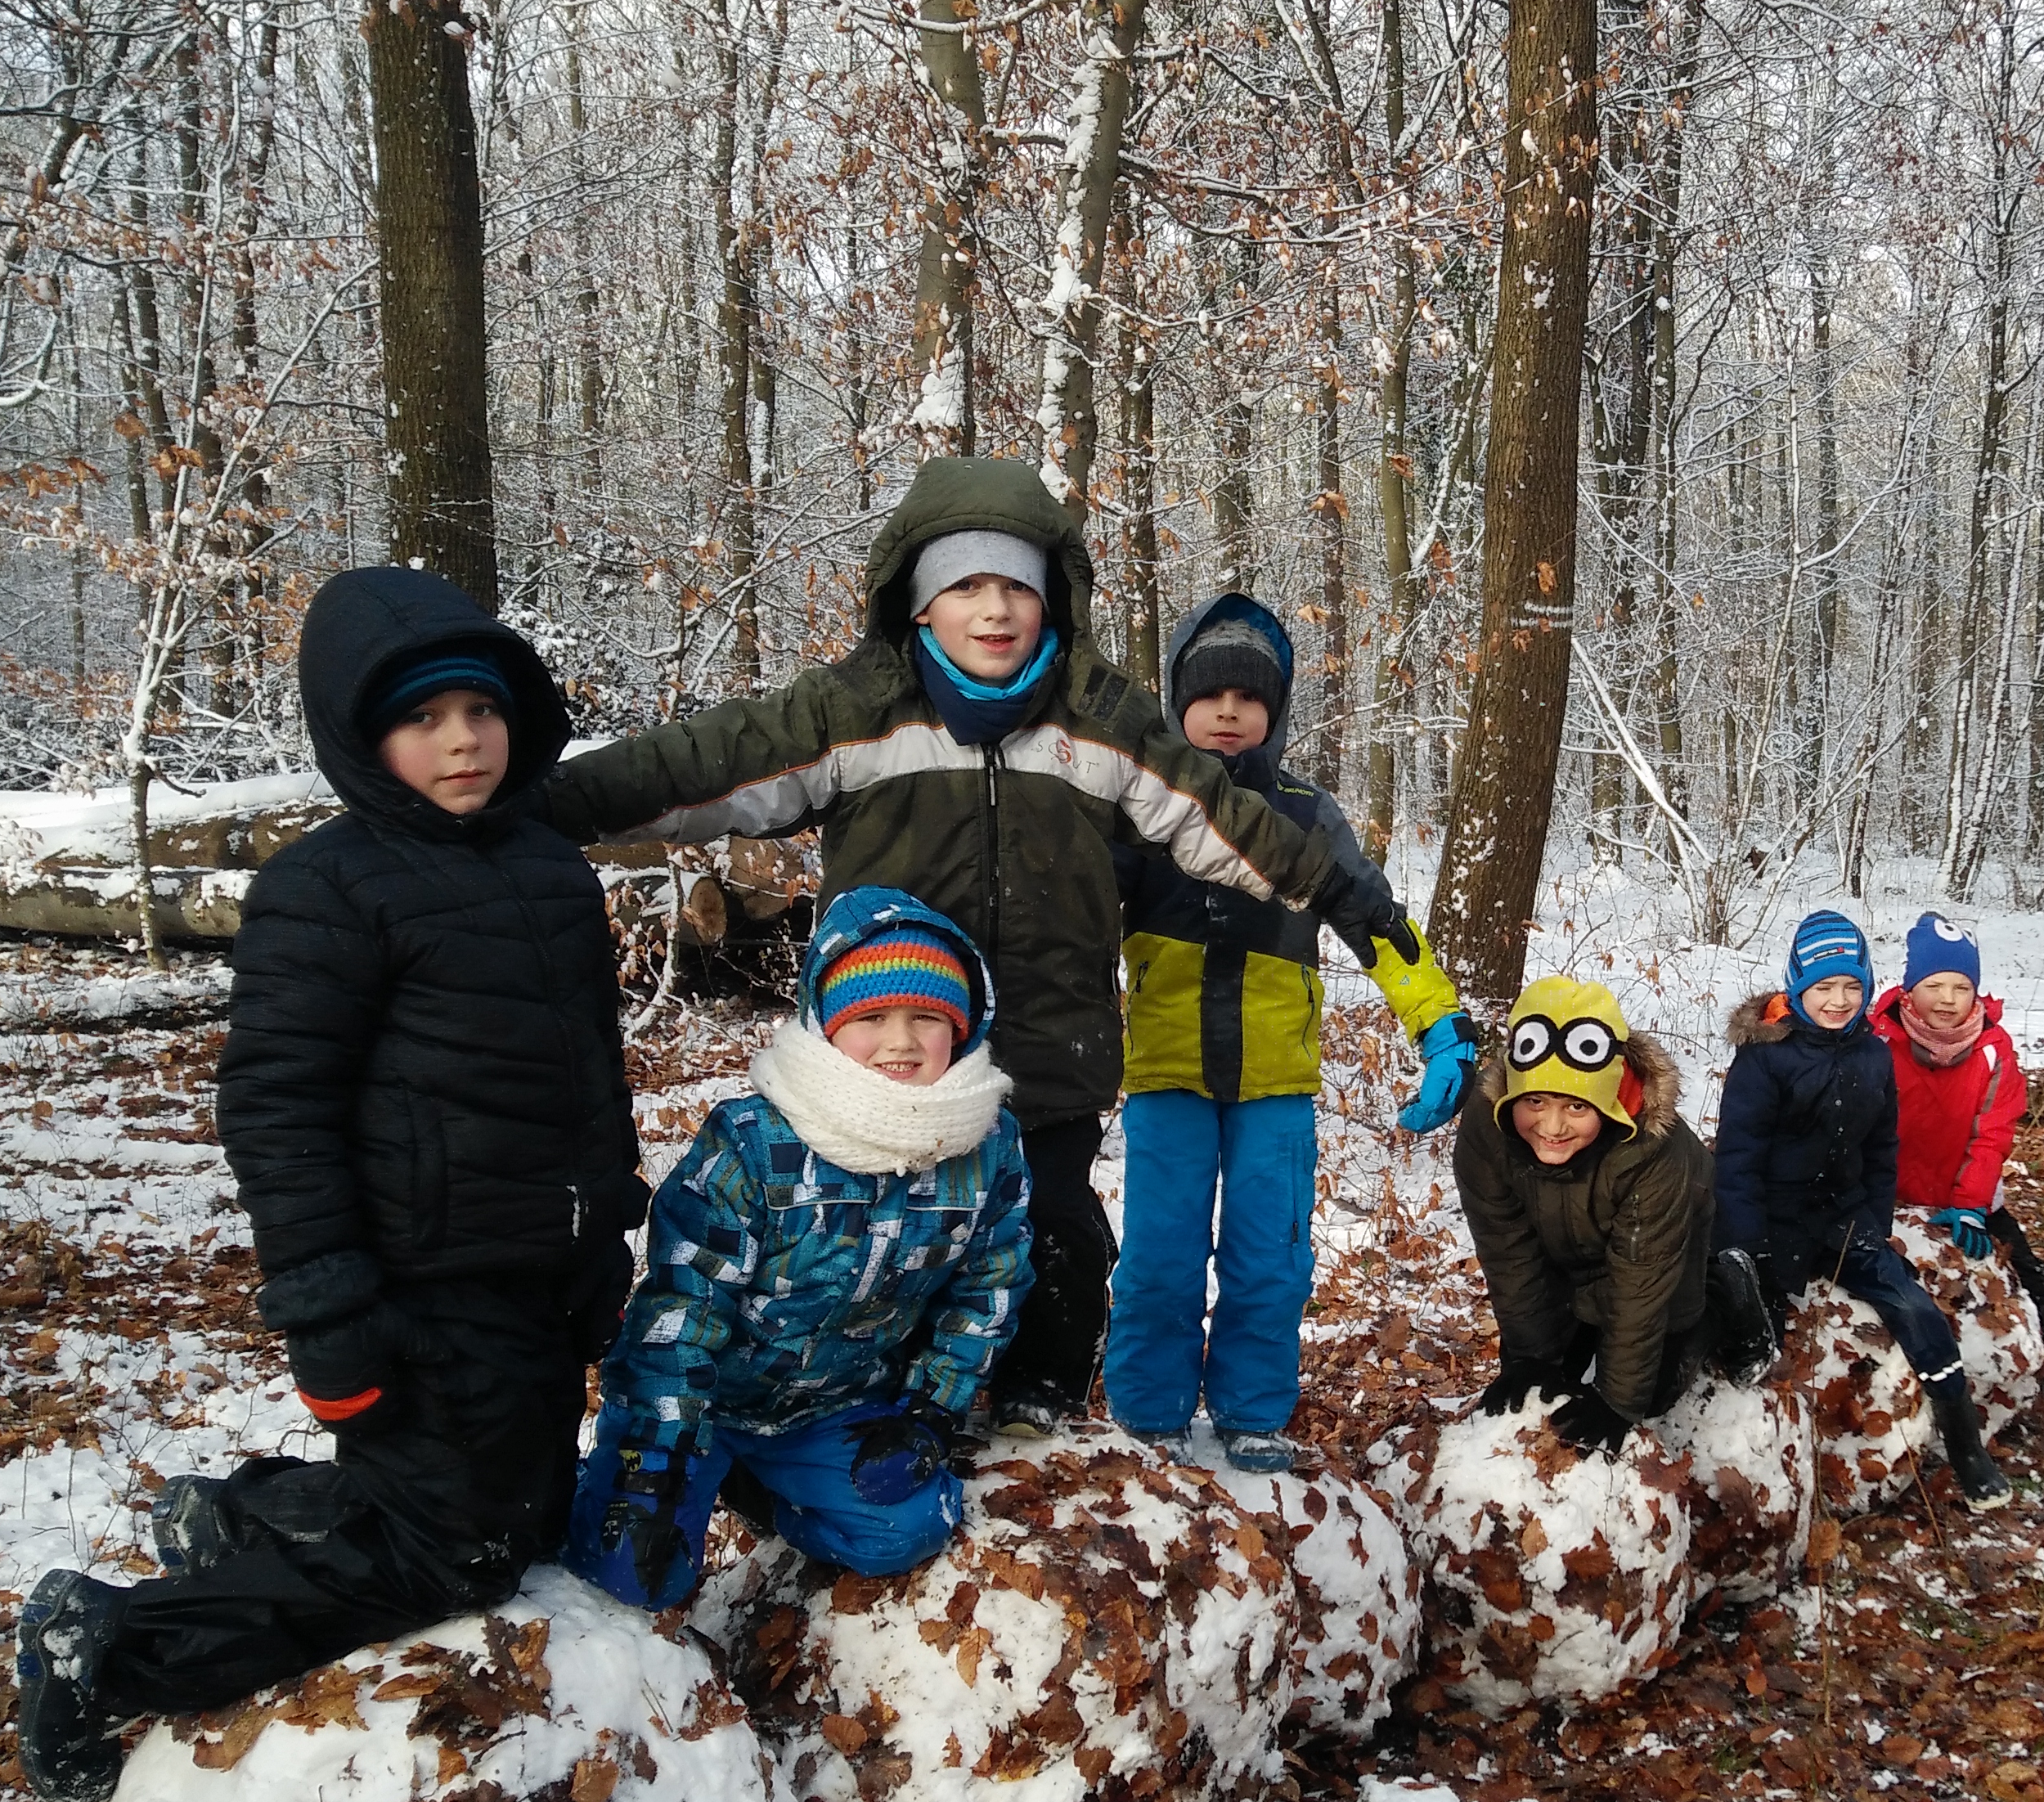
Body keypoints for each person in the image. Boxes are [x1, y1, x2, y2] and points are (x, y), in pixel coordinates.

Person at [538, 458, 1413, 1429]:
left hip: (1050, 1044)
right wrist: (539, 806)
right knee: (881, 1238)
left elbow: (1216, 818)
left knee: (1052, 1232)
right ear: (916, 605)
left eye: (1016, 587)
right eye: (964, 585)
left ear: (1052, 600)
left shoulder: (1100, 719)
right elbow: (702, 765)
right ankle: (867, 1408)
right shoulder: (855, 712)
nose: (993, 610)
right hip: (889, 1041)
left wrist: (1345, 895)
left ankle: (1038, 1408)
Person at [13, 570, 648, 1802]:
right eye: (422, 720)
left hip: (535, 1261)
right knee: (452, 1556)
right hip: (414, 1276)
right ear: (364, 742)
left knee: (524, 1515)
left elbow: (585, 1075)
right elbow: (276, 1108)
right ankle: (105, 1648)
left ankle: (246, 1518)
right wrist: (327, 1309)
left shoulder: (549, 869)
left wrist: (603, 1229)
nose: (461, 741)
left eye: (479, 709)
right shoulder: (330, 888)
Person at [565, 889, 1031, 1607]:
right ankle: (664, 1478)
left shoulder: (986, 1146)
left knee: (907, 1530)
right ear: (828, 1025)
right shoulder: (756, 1141)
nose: (900, 1042)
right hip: (700, 1405)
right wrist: (658, 1459)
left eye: (926, 1018)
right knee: (631, 1578)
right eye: (871, 1018)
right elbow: (685, 1304)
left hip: (832, 1404)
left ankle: (760, 1491)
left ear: (963, 1028)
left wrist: (933, 1409)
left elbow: (989, 1286)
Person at [1104, 595, 1477, 1469]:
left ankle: (1251, 1410)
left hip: (1276, 1081)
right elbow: (1070, 918)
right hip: (1166, 1072)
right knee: (1159, 1253)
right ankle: (1149, 1411)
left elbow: (1376, 921)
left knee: (1267, 1255)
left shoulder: (1308, 815)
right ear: (1175, 701)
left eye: (1249, 696)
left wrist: (1440, 1025)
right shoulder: (1138, 809)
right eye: (1207, 693)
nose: (1228, 711)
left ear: (1275, 709)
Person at [1716, 910, 2006, 1507]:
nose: (1839, 1000)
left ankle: (1965, 1441)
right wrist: (1752, 1245)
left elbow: (1881, 1149)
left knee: (1915, 1310)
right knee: (1750, 1335)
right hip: (1778, 1218)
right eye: (1824, 988)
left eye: (1852, 987)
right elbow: (1738, 1159)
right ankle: (1762, 1468)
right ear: (1798, 988)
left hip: (1844, 1217)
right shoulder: (1766, 1059)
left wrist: (1873, 1225)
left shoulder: (1873, 1055)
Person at [1454, 977, 1772, 1457]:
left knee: (1654, 1391)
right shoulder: (1488, 1127)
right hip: (1569, 1251)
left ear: (1607, 1103)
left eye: (1577, 1106)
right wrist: (1529, 1358)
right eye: (1535, 1101)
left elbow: (1640, 1282)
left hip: (1661, 1254)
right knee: (1549, 1377)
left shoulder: (1654, 1151)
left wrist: (1618, 1402)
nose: (1552, 1126)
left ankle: (1728, 1286)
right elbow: (1507, 1250)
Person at [1871, 910, 2044, 1400]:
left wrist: (1972, 1203)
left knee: (2027, 1269)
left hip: (1965, 1192)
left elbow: (1991, 1134)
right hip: (1891, 1191)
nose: (1947, 999)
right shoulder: (1877, 1039)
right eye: (1935, 984)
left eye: (1961, 987)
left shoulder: (1993, 1050)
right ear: (1910, 988)